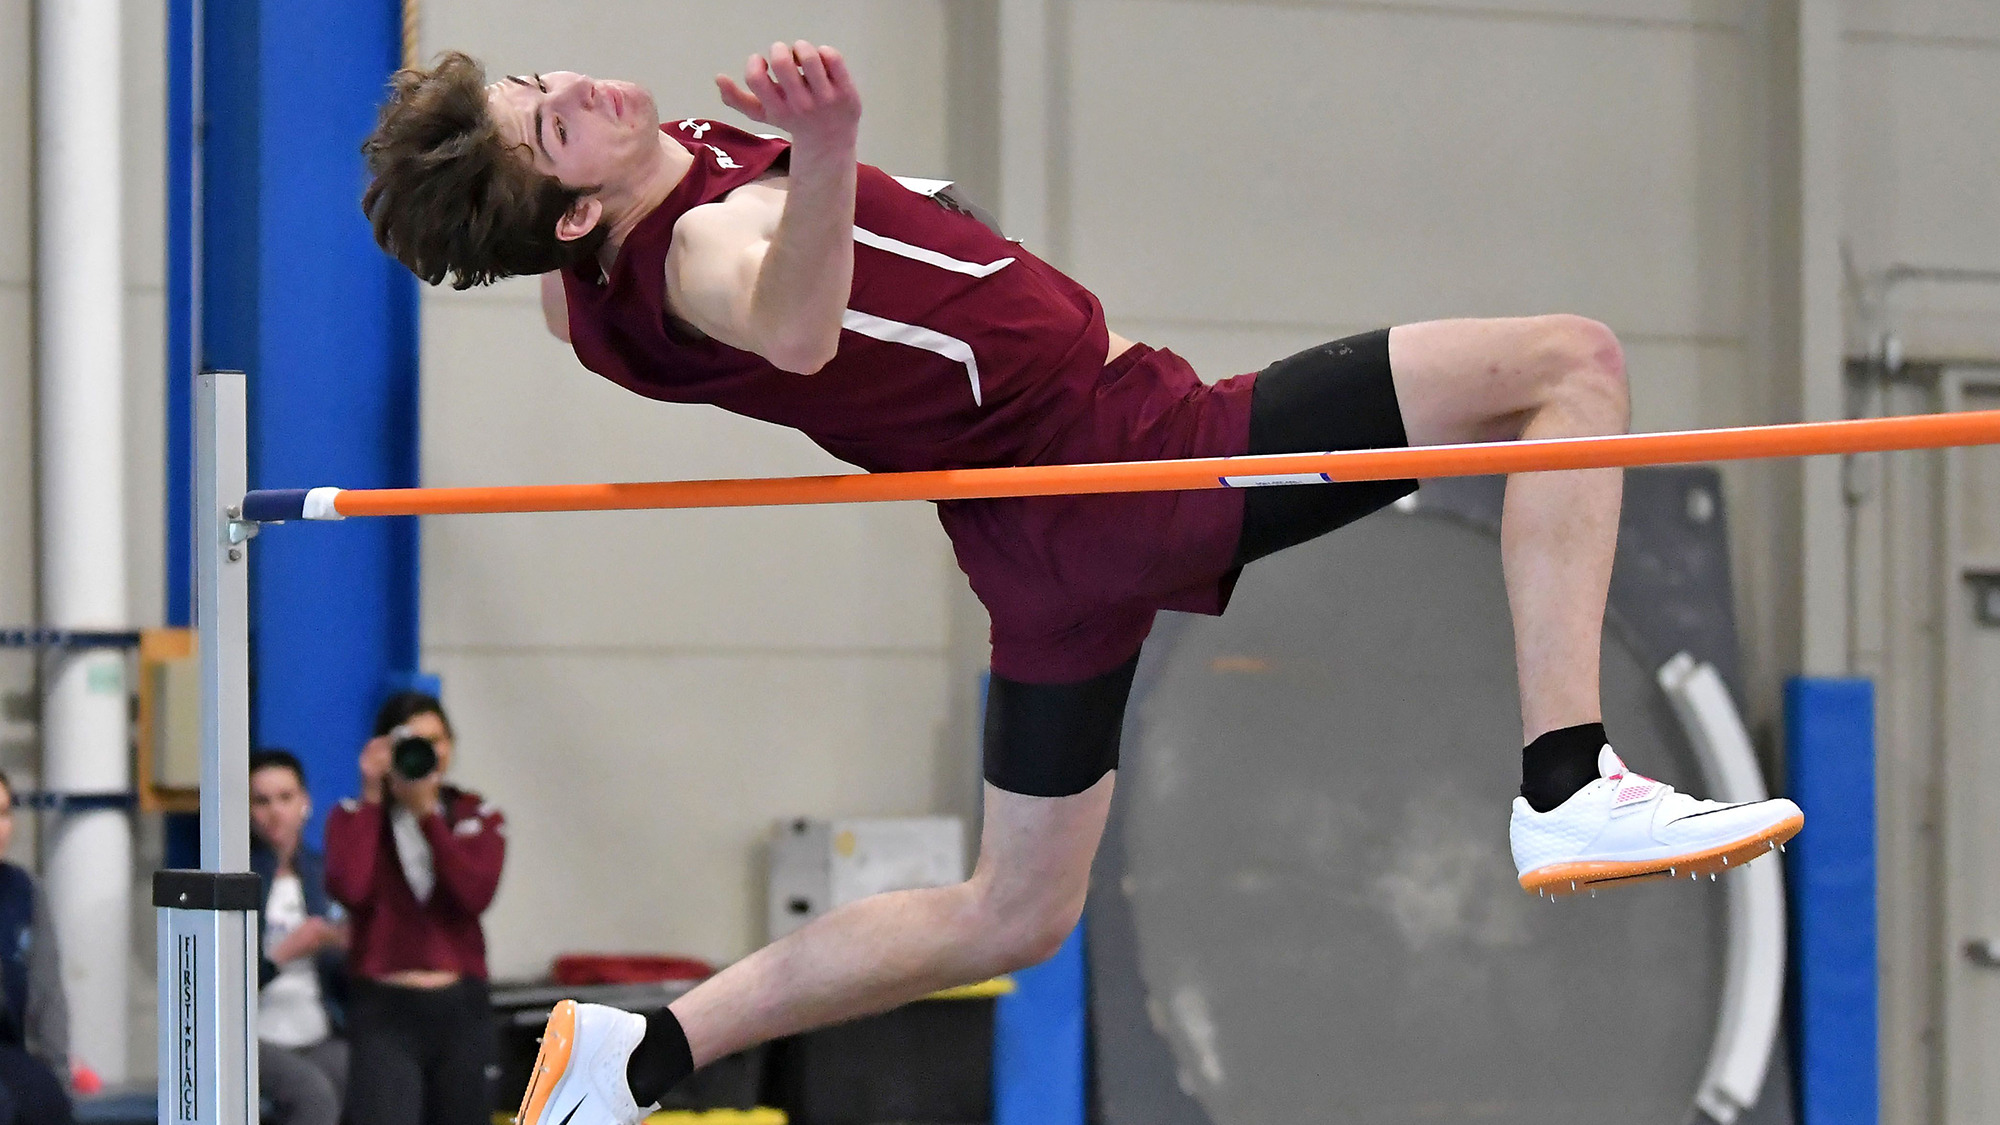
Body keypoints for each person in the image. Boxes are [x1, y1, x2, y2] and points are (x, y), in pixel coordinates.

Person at [357, 43, 1806, 1123]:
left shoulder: (583, 283)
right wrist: (836, 146)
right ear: (564, 211)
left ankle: (650, 1052)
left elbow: (566, 296)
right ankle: (1567, 777)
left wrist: (535, 175)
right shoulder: (698, 253)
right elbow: (790, 327)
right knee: (1572, 366)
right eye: (556, 122)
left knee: (1013, 912)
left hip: (1034, 536)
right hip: (1136, 467)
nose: (589, 89)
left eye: (544, 75)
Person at [325, 692, 506, 1125]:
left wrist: (428, 815)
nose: (426, 752)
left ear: (451, 746)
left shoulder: (476, 814)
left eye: (437, 740)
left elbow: (474, 894)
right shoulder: (353, 817)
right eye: (412, 740)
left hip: (460, 1006)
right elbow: (350, 888)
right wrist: (372, 795)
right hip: (385, 1010)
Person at [249, 749, 350, 1125]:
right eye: (262, 801)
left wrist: (346, 947)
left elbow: (342, 980)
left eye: (285, 798)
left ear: (305, 802)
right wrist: (283, 954)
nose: (275, 811)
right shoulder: (238, 879)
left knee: (370, 1076)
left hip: (317, 1029)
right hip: (256, 1036)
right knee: (313, 1095)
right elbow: (221, 987)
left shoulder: (323, 875)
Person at [0, 771, 72, 1125]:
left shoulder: (24, 890)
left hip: (9, 1056)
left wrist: (58, 1076)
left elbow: (48, 995)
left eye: (3, 814)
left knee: (44, 1099)